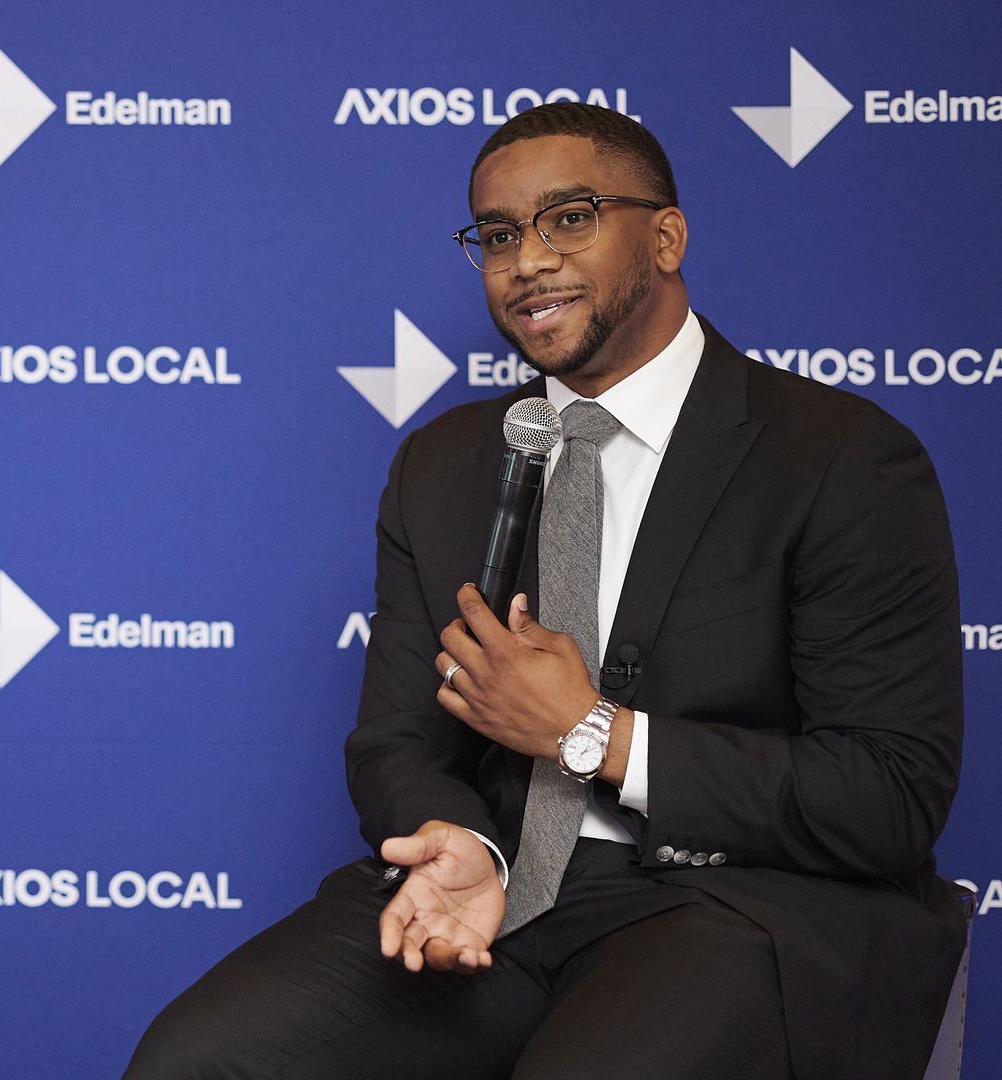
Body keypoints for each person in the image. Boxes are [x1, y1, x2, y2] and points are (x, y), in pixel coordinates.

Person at [124, 102, 965, 1080]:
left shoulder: (840, 457)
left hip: (736, 899)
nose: (526, 259)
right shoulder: (440, 465)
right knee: (194, 1060)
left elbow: (888, 797)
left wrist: (594, 733)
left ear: (665, 234)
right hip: (504, 891)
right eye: (498, 234)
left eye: (569, 218)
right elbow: (396, 743)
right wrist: (461, 840)